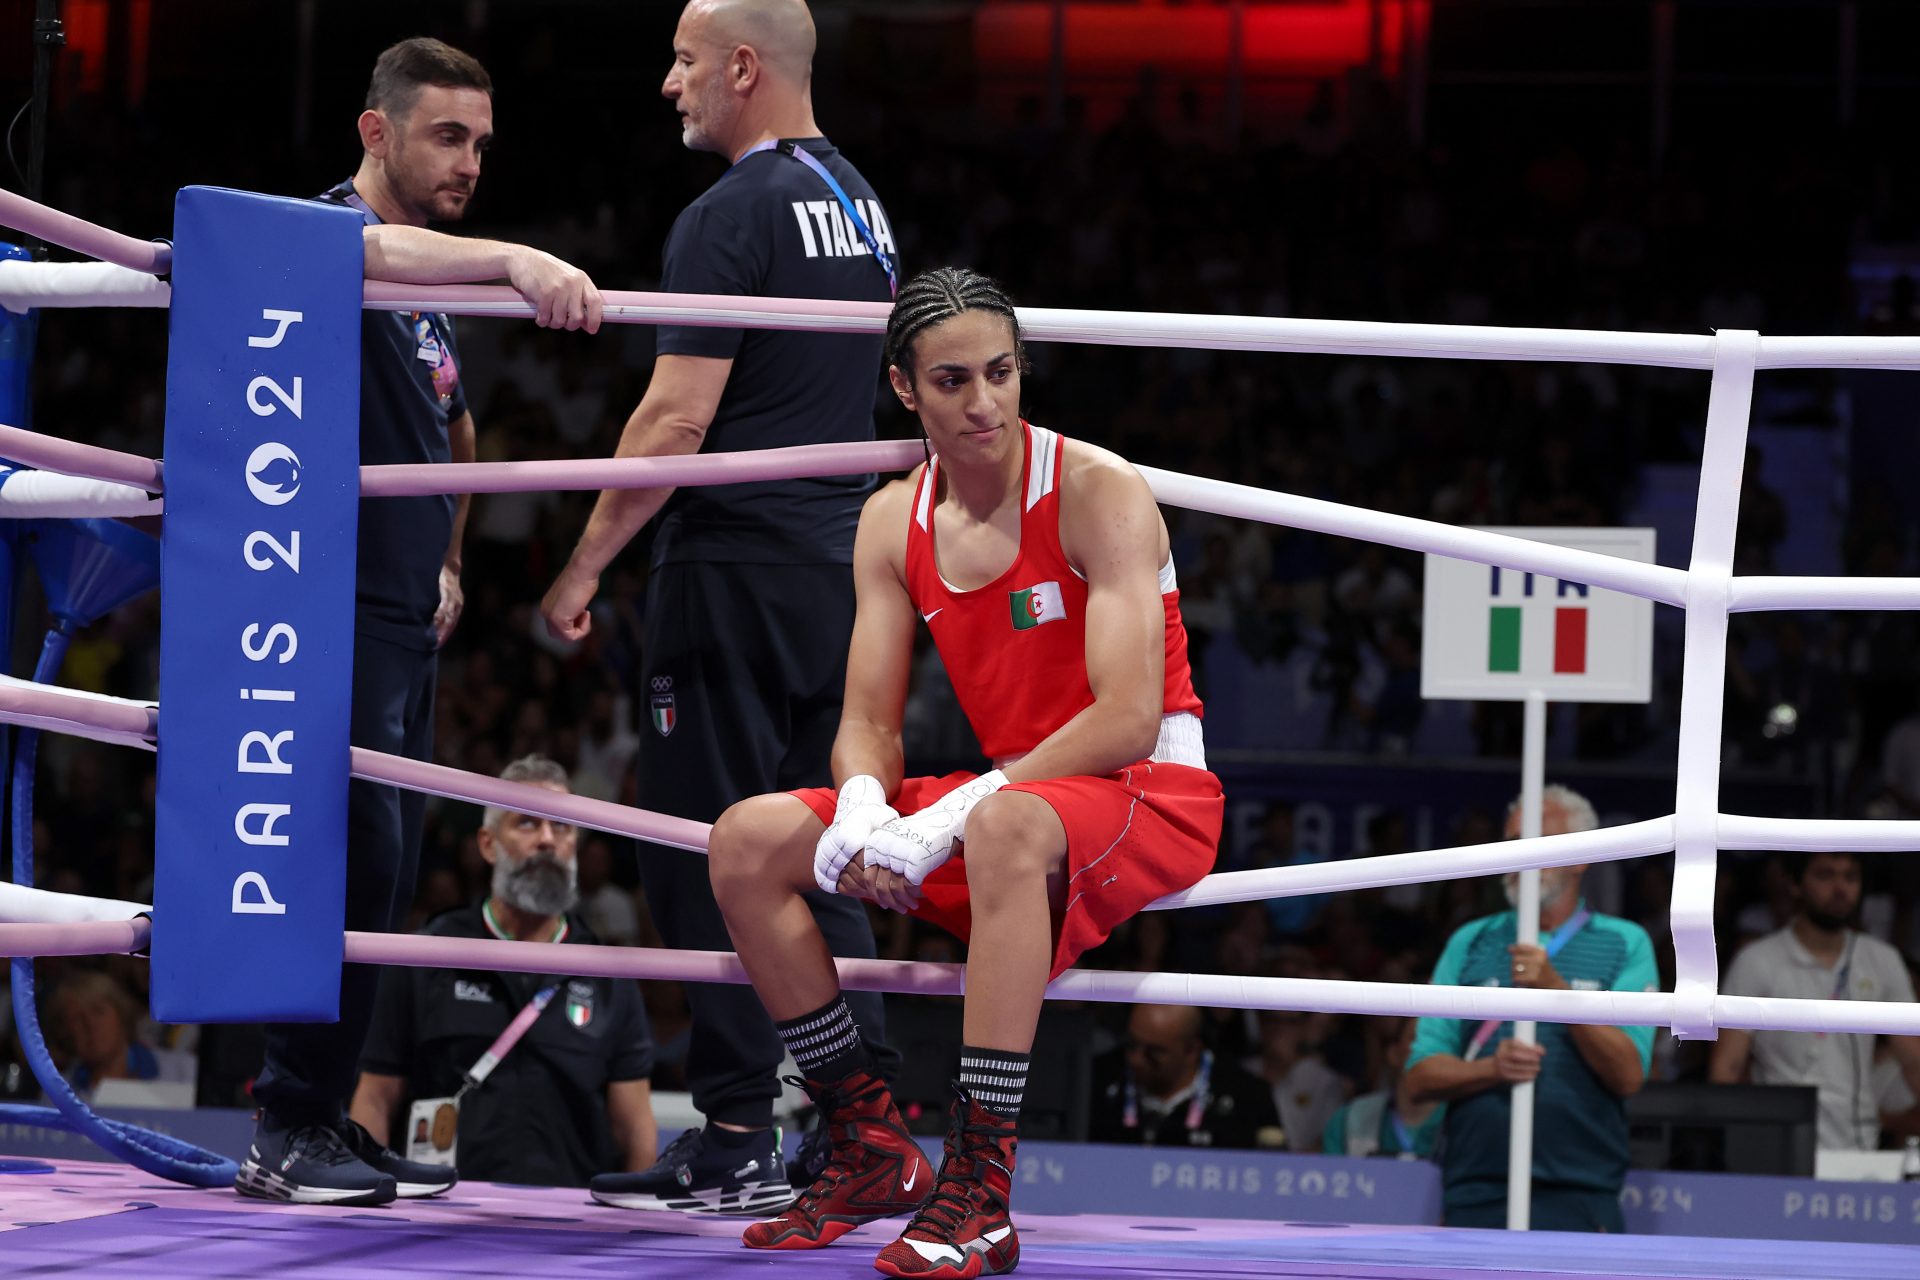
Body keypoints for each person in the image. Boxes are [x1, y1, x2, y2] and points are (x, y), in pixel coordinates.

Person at [705, 267, 1224, 1275]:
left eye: (1000, 372)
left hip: (1146, 787)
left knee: (1002, 823)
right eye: (952, 381)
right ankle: (869, 1142)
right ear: (906, 389)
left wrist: (956, 814)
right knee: (745, 840)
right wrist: (861, 802)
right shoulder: (890, 518)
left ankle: (981, 1190)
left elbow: (1125, 716)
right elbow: (865, 718)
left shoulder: (1096, 490)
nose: (983, 402)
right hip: (1018, 800)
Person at [539, 0, 900, 1213]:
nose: (669, 82)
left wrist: (581, 566)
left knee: (709, 850)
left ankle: (741, 1125)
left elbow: (677, 419)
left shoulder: (731, 211)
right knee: (828, 846)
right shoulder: (863, 203)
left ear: (744, 66)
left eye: (687, 60)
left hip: (735, 572)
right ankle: (867, 1125)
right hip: (839, 572)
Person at [237, 36, 603, 1208]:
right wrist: (518, 258)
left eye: (483, 143)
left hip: (400, 615)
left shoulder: (427, 301)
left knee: (377, 873)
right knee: (335, 863)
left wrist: (448, 556)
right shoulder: (327, 235)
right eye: (448, 136)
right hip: (320, 604)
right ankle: (287, 1120)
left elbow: (456, 427)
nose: (470, 161)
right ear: (375, 132)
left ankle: (322, 1121)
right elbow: (373, 246)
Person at [349, 756, 659, 1189]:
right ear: (488, 843)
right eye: (528, 824)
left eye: (563, 826)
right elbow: (376, 1098)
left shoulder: (608, 972)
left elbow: (635, 1128)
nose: (548, 840)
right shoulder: (427, 953)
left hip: (572, 1226)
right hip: (438, 1219)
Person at [1402, 784, 1656, 1231]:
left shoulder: (1624, 942)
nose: (1522, 856)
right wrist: (1490, 1070)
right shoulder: (1471, 940)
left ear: (1581, 856)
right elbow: (1421, 1076)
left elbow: (1628, 1074)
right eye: (1514, 841)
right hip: (1475, 1188)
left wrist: (1554, 989)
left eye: (1538, 840)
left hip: (1581, 1190)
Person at [1710, 851, 1920, 1151]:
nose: (1840, 888)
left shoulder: (1882, 960)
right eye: (1825, 875)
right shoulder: (1757, 960)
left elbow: (1914, 1063)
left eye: (1850, 876)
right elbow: (1726, 1071)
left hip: (1859, 1143)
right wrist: (1730, 1151)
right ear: (1796, 884)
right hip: (1776, 1145)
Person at [1087, 1004, 1279, 1150]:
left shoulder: (1247, 1097)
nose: (1136, 1059)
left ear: (1191, 1051)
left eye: (1153, 1052)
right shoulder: (1096, 1079)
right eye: (1131, 1044)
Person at [1321, 1017, 1443, 1159]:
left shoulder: (1466, 1120)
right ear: (1393, 1053)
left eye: (1439, 1042)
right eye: (1417, 1039)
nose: (1428, 1050)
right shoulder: (1347, 1121)